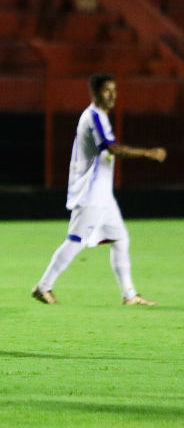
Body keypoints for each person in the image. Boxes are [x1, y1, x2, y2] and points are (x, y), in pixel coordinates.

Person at [32, 73, 167, 306]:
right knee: (75, 241)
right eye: (107, 90)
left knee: (120, 239)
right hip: (90, 193)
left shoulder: (101, 116)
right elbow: (112, 149)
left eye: (114, 90)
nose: (113, 95)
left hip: (103, 195)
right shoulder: (93, 116)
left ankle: (129, 295)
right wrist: (148, 153)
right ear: (94, 93)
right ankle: (43, 287)